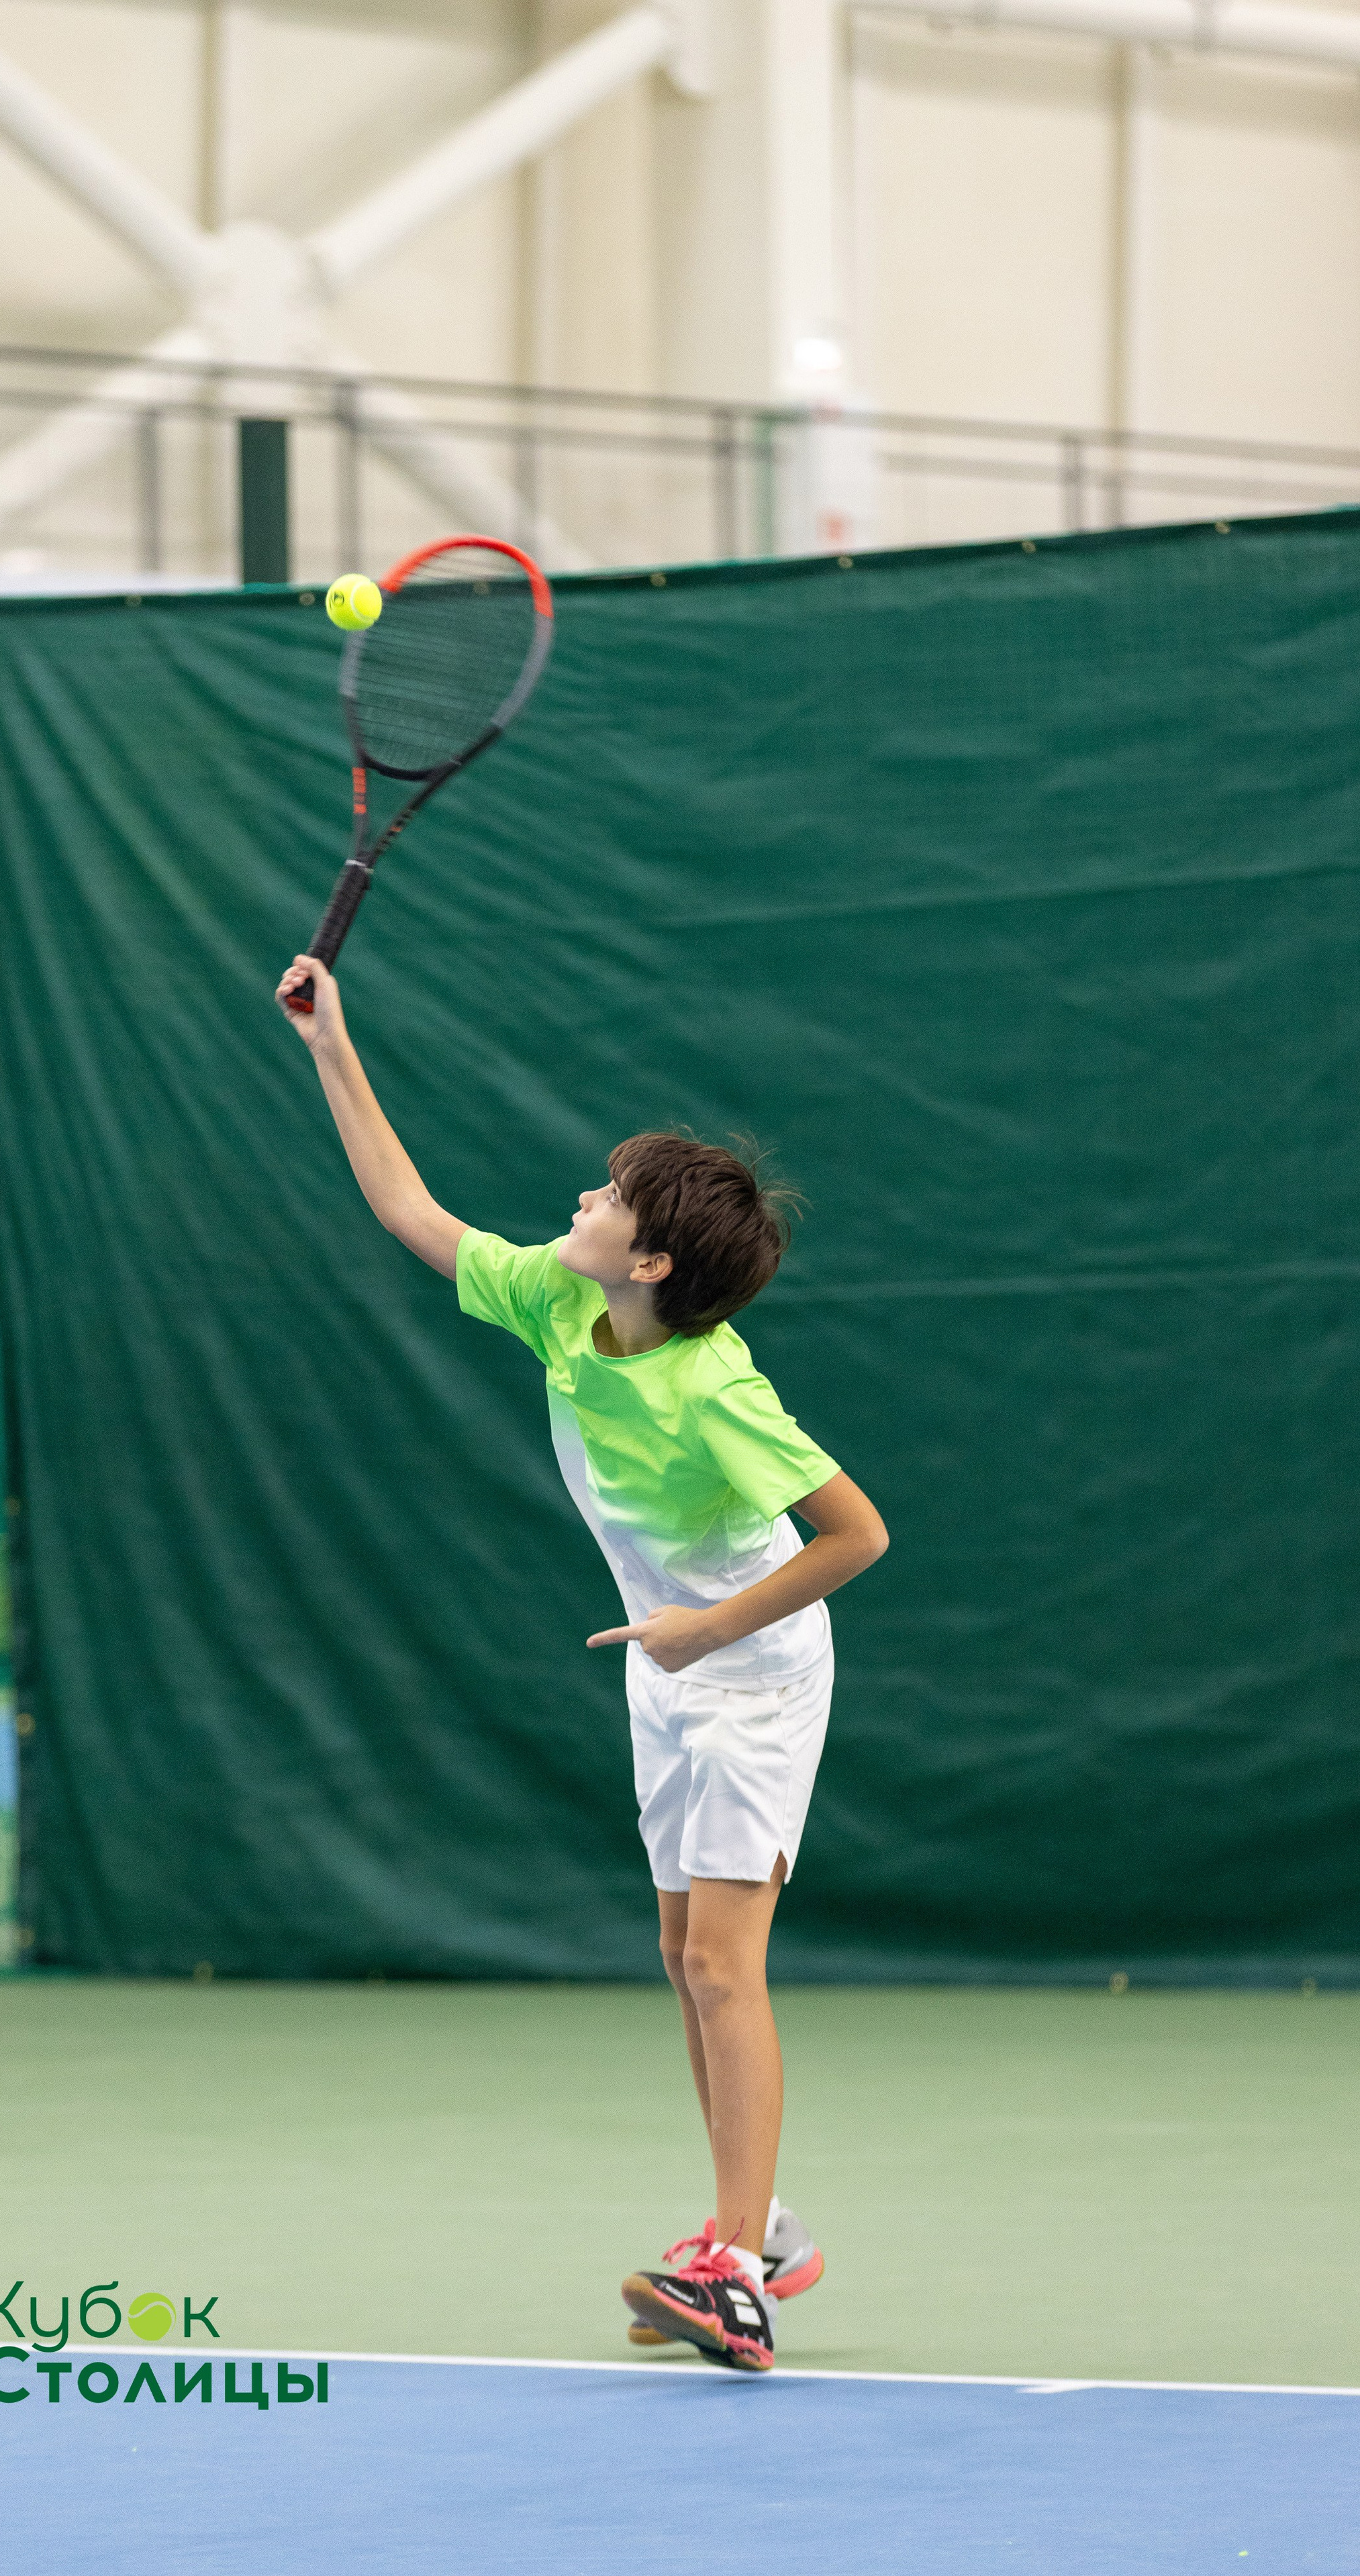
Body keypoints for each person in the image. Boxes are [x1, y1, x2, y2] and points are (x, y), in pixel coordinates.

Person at [275, 952, 888, 2373]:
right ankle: (762, 2219)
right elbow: (406, 1207)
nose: (580, 1202)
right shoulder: (560, 1303)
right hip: (666, 1659)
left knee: (725, 1966)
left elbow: (852, 1533)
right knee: (683, 1955)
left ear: (655, 1261)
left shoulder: (714, 1385)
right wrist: (330, 1043)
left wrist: (705, 1628)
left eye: (606, 1199)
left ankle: (736, 2264)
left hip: (748, 1666)